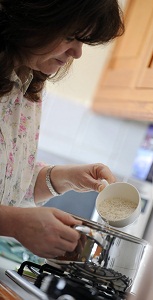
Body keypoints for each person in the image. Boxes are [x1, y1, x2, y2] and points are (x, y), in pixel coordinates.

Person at [0, 0, 124, 259]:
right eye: (71, 36)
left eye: (83, 41)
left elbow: (10, 187)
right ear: (32, 18)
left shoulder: (26, 82)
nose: (77, 53)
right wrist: (15, 223)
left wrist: (65, 177)